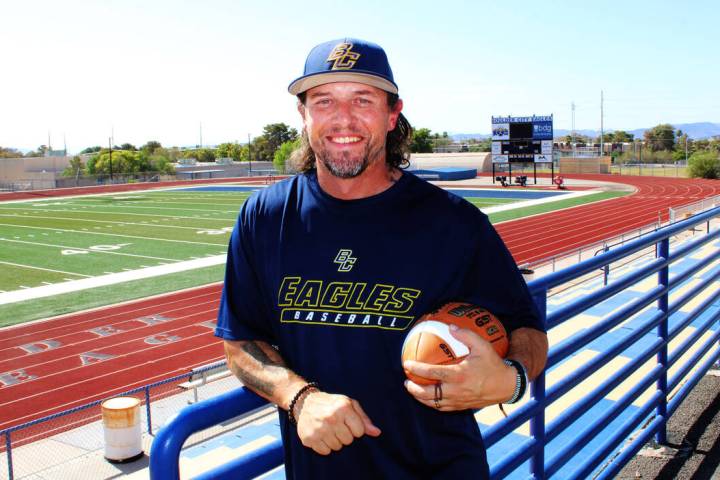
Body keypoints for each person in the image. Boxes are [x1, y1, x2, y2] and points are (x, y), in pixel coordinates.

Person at [215, 37, 548, 479]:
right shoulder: (265, 217)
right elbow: (239, 344)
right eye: (324, 100)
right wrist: (300, 397)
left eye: (363, 100)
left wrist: (510, 379)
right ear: (303, 114)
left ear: (393, 114)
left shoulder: (454, 223)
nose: (343, 119)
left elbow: (528, 331)